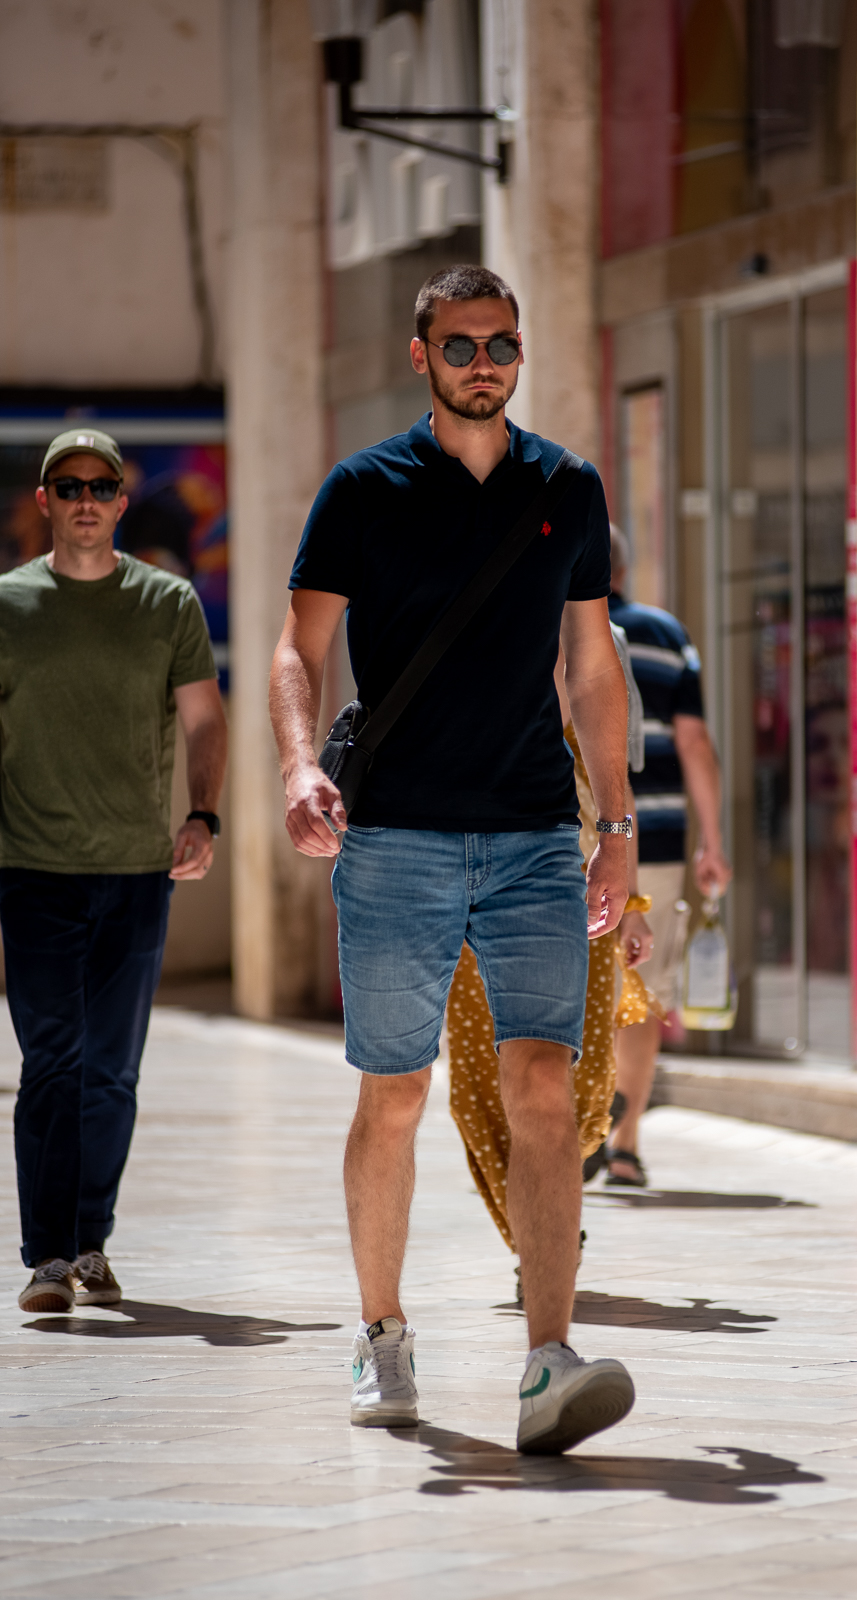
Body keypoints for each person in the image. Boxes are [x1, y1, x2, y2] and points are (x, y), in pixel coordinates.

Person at [269, 263, 637, 1455]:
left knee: (545, 1090)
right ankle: (381, 1332)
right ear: (421, 354)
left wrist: (617, 826)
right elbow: (296, 648)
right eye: (463, 344)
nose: (485, 363)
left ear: (520, 354)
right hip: (395, 841)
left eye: (502, 344)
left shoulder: (565, 487)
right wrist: (297, 764)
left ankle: (547, 1359)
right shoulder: (362, 488)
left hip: (533, 837)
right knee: (396, 1092)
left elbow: (592, 667)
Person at [0, 428, 227, 1313]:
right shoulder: (9, 604)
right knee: (52, 1062)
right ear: (46, 501)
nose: (86, 499)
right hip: (32, 866)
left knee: (112, 1069)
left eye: (101, 486)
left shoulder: (168, 603)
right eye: (69, 486)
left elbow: (203, 720)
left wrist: (201, 814)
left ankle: (91, 1240)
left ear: (123, 502)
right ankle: (48, 1257)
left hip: (137, 871)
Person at [446, 642, 653, 1287]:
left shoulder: (603, 647)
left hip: (582, 904)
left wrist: (635, 904)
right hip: (468, 900)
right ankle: (534, 1243)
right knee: (480, 1088)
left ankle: (550, 1227)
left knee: (577, 1082)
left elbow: (618, 789)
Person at [605, 526, 732, 1187]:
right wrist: (711, 841)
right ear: (625, 570)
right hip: (652, 841)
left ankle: (571, 1130)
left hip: (568, 839)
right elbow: (694, 743)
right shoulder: (665, 635)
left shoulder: (554, 625)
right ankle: (624, 1144)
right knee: (641, 994)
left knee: (570, 988)